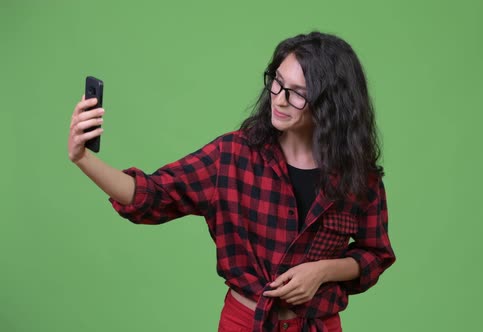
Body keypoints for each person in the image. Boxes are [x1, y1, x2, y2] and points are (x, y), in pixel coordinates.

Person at [68, 31, 396, 332]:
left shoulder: (357, 175)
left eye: (297, 94)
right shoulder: (234, 154)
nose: (279, 99)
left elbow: (375, 255)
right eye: (277, 82)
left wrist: (323, 271)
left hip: (318, 325)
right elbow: (151, 195)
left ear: (330, 105)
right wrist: (84, 158)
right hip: (245, 323)